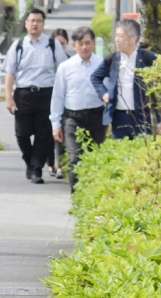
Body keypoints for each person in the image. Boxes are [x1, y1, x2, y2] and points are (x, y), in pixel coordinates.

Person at [4, 8, 68, 184]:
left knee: (43, 134)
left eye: (38, 21)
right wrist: (8, 97)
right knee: (22, 134)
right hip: (23, 94)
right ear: (26, 23)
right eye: (32, 20)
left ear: (43, 24)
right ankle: (30, 162)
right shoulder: (18, 46)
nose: (35, 24)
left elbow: (63, 71)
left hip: (47, 94)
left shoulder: (52, 44)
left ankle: (37, 169)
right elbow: (10, 73)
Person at [49, 27, 106, 190]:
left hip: (97, 116)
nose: (84, 47)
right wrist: (56, 124)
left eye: (88, 43)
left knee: (97, 157)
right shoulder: (66, 67)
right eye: (80, 44)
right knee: (75, 158)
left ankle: (94, 193)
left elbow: (109, 92)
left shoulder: (102, 64)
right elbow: (58, 96)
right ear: (74, 45)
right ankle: (76, 194)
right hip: (73, 118)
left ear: (94, 44)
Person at [90, 18, 157, 139]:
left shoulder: (148, 58)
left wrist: (158, 119)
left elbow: (158, 89)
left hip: (142, 116)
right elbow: (95, 77)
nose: (116, 40)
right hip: (118, 117)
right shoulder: (112, 59)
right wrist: (104, 93)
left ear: (133, 38)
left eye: (120, 36)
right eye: (116, 36)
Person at [47, 28, 70, 179]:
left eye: (62, 43)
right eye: (57, 43)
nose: (60, 47)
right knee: (47, 135)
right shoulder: (46, 59)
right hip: (47, 99)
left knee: (61, 136)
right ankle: (51, 163)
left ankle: (60, 165)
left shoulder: (70, 61)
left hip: (64, 102)